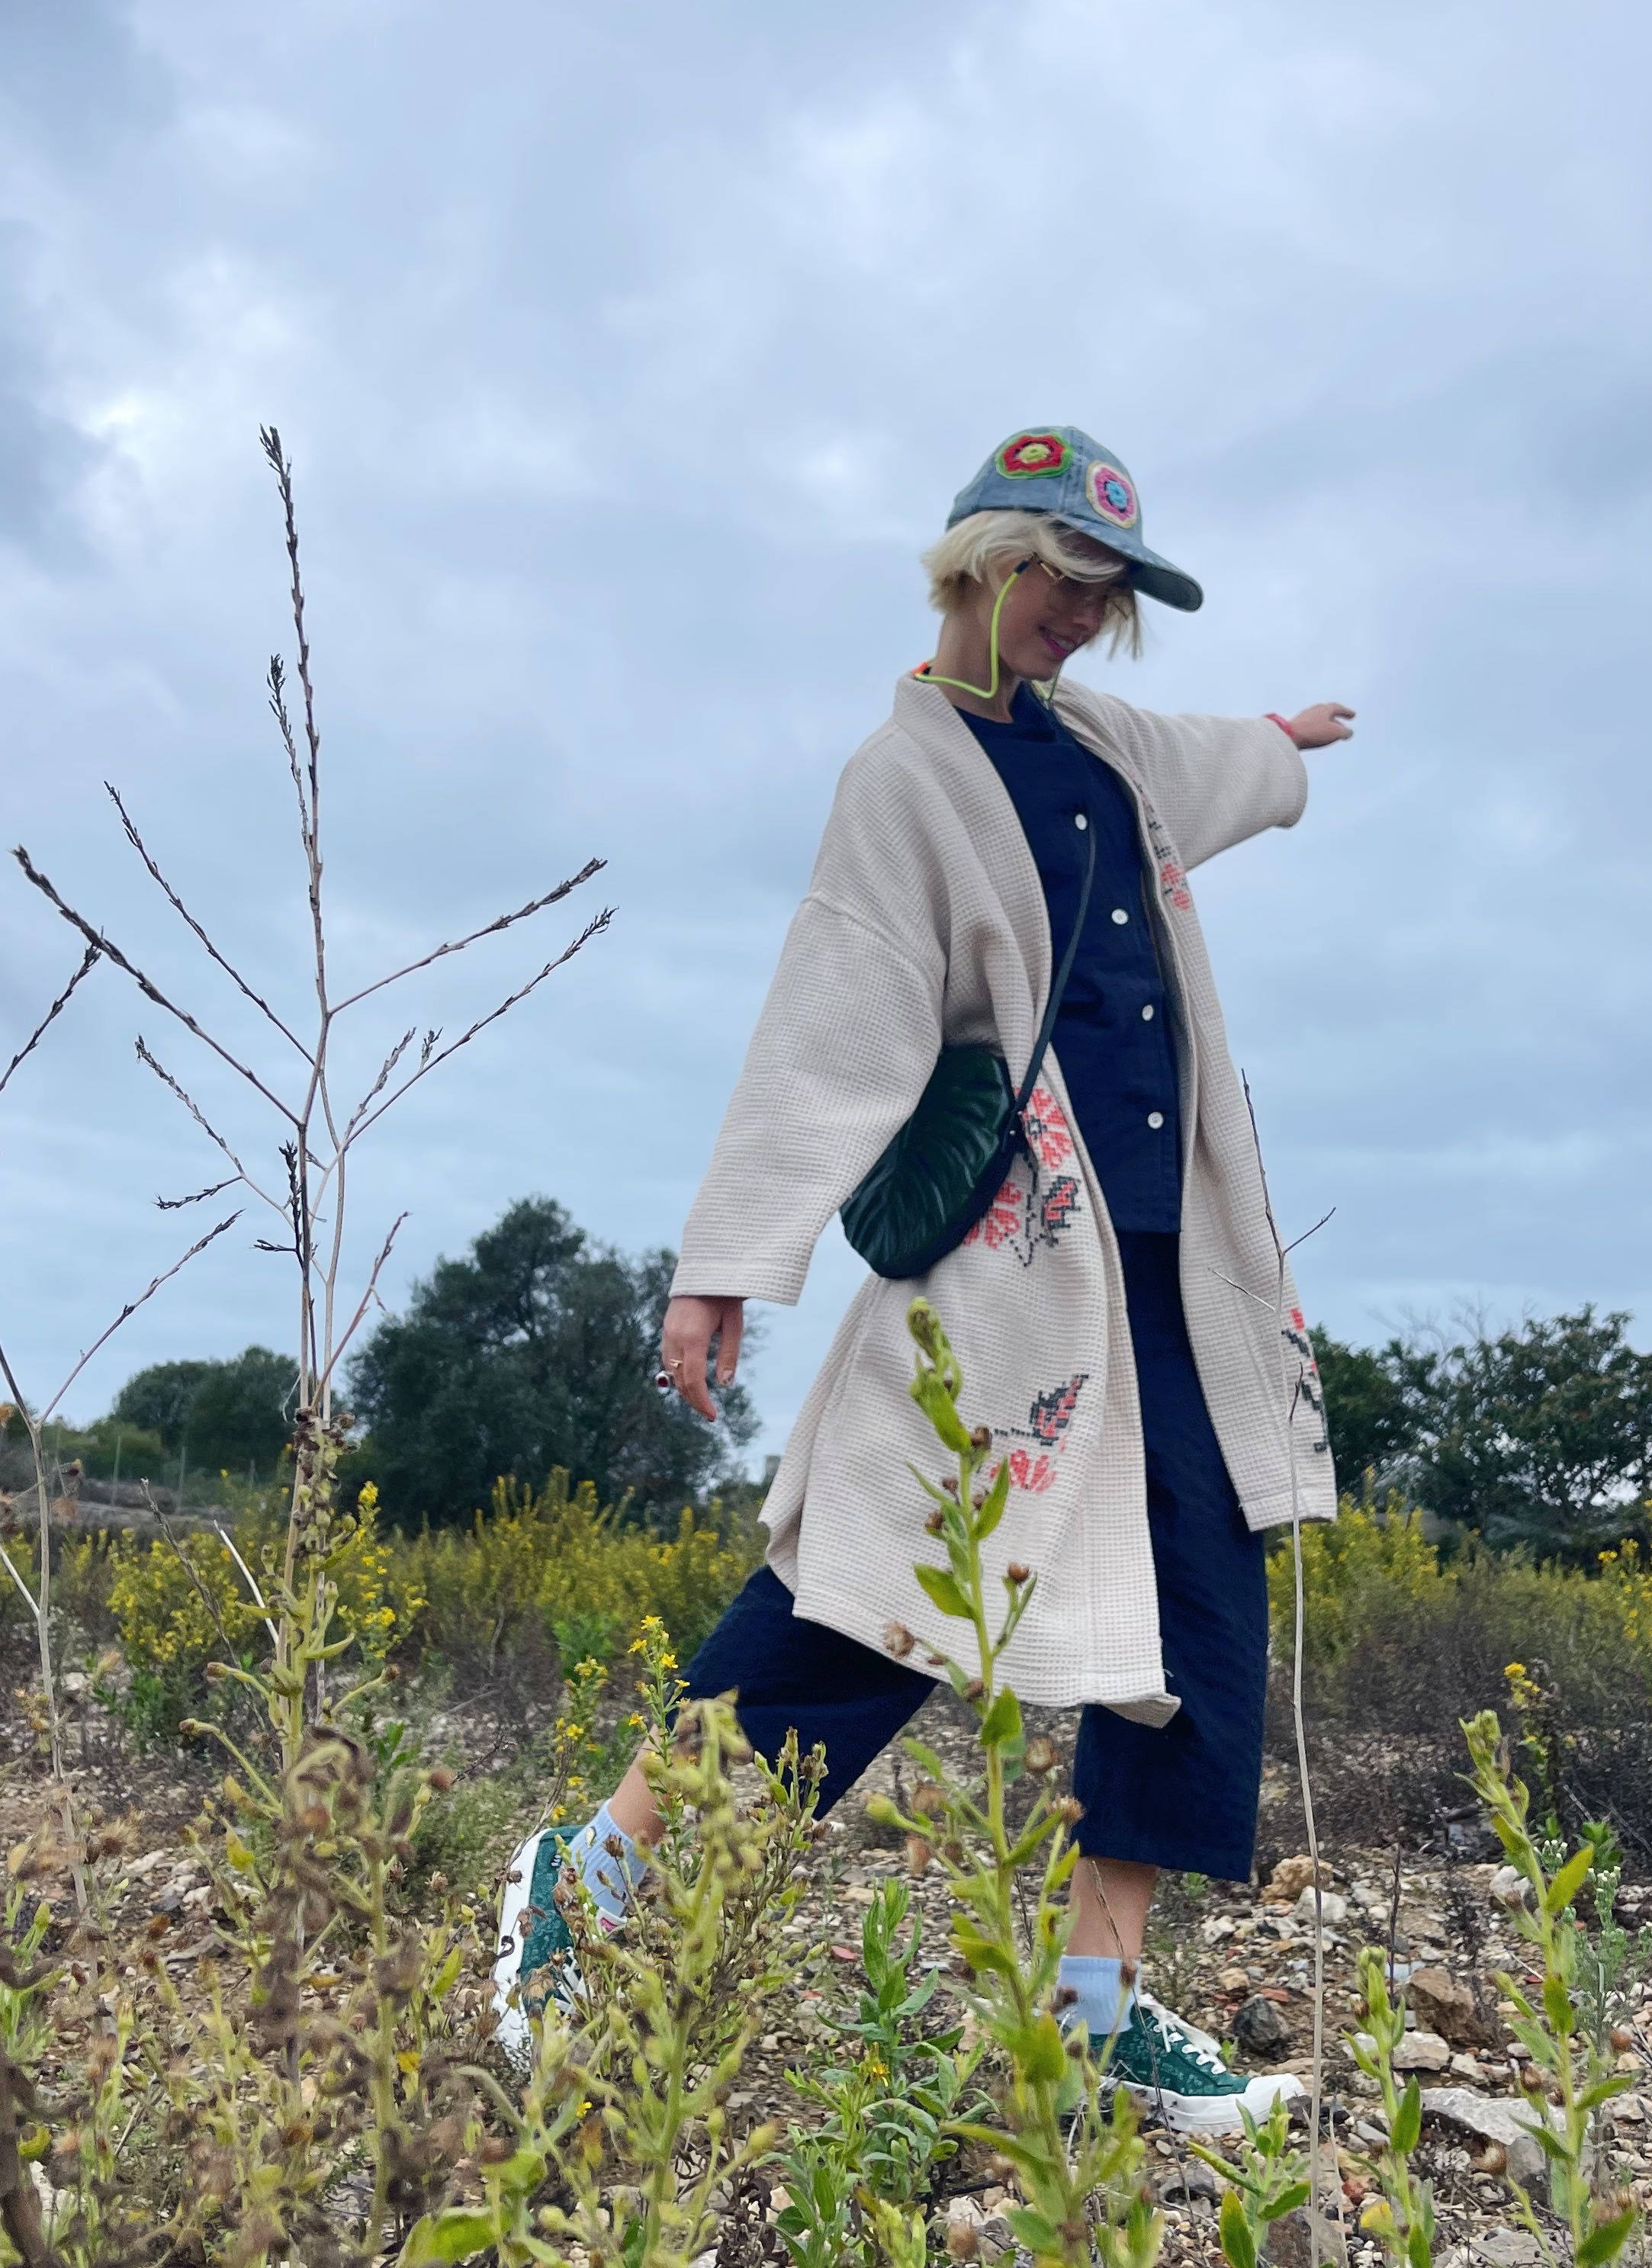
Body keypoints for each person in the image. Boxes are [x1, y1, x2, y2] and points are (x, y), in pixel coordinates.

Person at [495, 425, 1354, 2131]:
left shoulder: (1105, 741)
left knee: (1200, 1612)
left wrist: (1281, 744)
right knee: (868, 1600)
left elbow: (1210, 756)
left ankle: (1097, 2017)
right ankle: (582, 1883)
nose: (1082, 617)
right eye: (1059, 578)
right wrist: (731, 1260)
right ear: (977, 562)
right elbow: (834, 1025)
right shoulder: (903, 781)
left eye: (1108, 595)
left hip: (1181, 1272)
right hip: (1005, 1274)